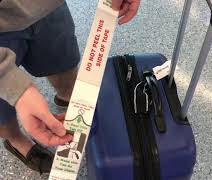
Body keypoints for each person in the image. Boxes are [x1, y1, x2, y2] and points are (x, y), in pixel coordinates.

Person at [0, 0, 140, 174]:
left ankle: (68, 99)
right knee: (2, 108)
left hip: (48, 7)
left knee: (63, 65)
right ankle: (16, 140)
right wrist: (13, 85)